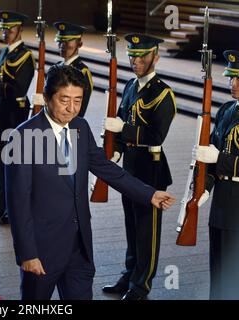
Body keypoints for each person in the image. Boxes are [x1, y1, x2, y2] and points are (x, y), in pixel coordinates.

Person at [5, 64, 175, 300]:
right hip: (43, 250)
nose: (71, 108)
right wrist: (27, 253)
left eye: (78, 100)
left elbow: (106, 168)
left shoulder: (80, 127)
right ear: (46, 97)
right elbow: (17, 202)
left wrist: (149, 194)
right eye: (64, 100)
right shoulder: (22, 138)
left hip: (80, 248)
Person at [102, 34, 176, 300]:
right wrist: (115, 151)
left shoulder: (163, 93)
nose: (136, 60)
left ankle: (141, 285)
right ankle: (130, 273)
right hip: (130, 168)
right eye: (132, 55)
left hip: (151, 170)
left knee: (147, 231)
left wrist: (124, 129)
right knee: (132, 226)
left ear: (155, 57)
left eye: (142, 56)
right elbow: (120, 126)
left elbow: (156, 136)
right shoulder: (131, 86)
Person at [0, 10, 35, 224]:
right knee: (2, 163)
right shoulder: (5, 52)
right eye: (2, 28)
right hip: (3, 111)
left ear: (19, 30)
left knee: (13, 164)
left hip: (16, 114)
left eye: (9, 28)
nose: (5, 32)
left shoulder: (25, 56)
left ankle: (13, 211)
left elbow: (18, 88)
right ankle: (1, 205)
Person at [194, 49, 239, 300]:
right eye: (231, 78)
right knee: (218, 266)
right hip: (222, 200)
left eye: (238, 79)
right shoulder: (226, 110)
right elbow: (212, 150)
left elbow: (217, 156)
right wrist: (205, 187)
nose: (232, 84)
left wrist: (219, 159)